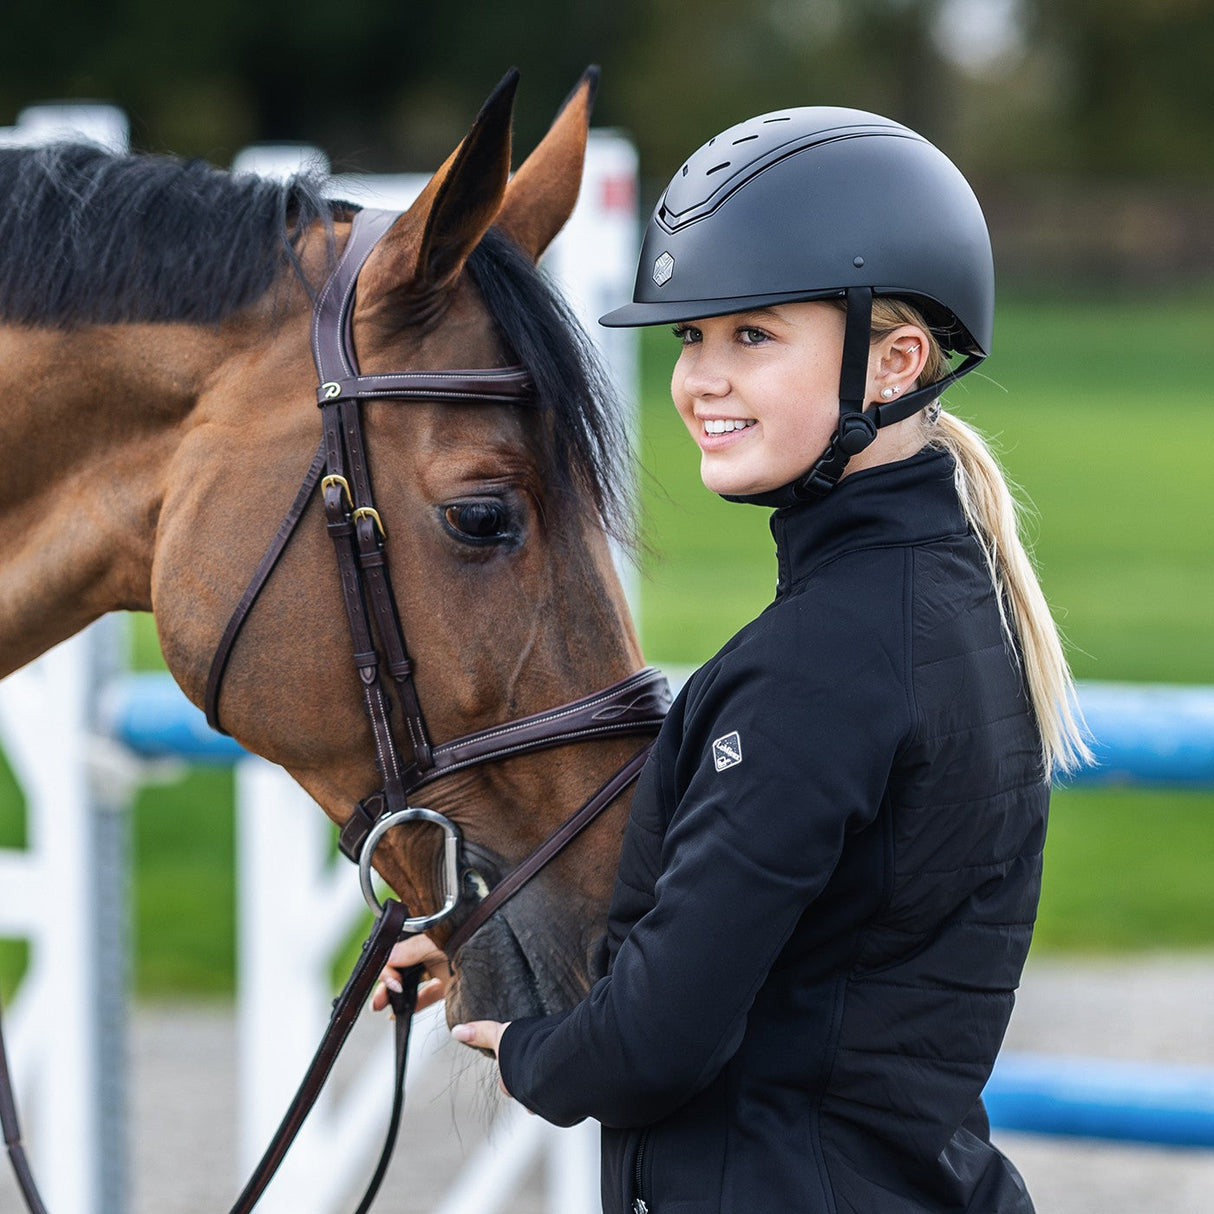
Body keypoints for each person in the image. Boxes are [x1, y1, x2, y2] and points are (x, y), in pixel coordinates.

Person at [374, 106, 1090, 1213]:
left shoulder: (818, 662)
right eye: (689, 338)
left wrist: (521, 1046)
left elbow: (653, 1043)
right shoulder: (945, 595)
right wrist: (487, 933)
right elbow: (773, 930)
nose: (701, 378)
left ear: (893, 363)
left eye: (751, 335)